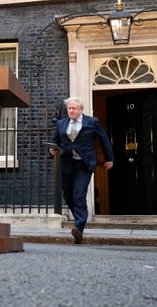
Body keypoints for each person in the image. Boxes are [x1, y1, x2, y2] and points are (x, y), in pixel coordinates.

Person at [49, 96, 114, 244]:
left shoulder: (92, 122)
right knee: (67, 194)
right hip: (67, 163)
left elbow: (104, 139)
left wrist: (109, 159)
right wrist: (52, 151)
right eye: (69, 108)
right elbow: (55, 142)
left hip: (84, 164)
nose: (71, 111)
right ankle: (80, 220)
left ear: (81, 109)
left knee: (79, 193)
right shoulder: (61, 123)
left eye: (74, 108)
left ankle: (79, 226)